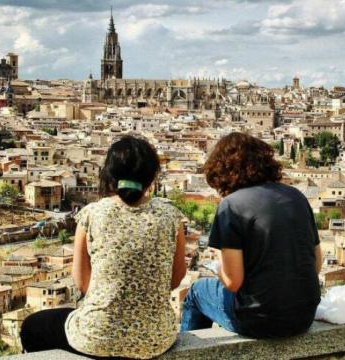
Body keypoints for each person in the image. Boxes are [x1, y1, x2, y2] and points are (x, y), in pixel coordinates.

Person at [20, 136, 187, 359]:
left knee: (33, 326)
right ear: (151, 177)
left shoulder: (92, 213)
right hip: (156, 338)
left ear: (109, 175)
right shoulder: (171, 217)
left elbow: (82, 282)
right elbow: (175, 280)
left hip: (98, 336)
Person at [181, 132, 322, 338]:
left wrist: (217, 267)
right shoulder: (296, 196)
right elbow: (317, 264)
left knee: (195, 293)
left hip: (259, 320)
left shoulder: (232, 206)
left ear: (222, 171)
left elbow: (233, 282)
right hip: (304, 316)